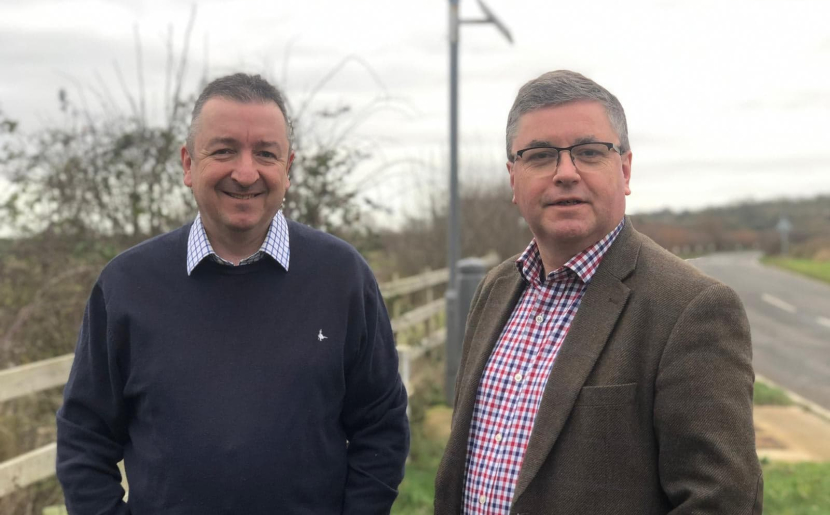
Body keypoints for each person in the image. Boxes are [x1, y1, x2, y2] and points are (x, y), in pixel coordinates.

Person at [56, 73, 409, 514]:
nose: (246, 173)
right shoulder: (126, 285)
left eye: (266, 153)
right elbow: (83, 436)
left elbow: (382, 426)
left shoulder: (343, 278)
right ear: (188, 164)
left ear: (288, 167)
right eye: (224, 151)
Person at [434, 70, 762, 514]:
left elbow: (721, 504)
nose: (565, 173)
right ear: (514, 179)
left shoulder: (692, 309)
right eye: (540, 155)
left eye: (589, 152)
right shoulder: (495, 290)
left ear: (624, 169)